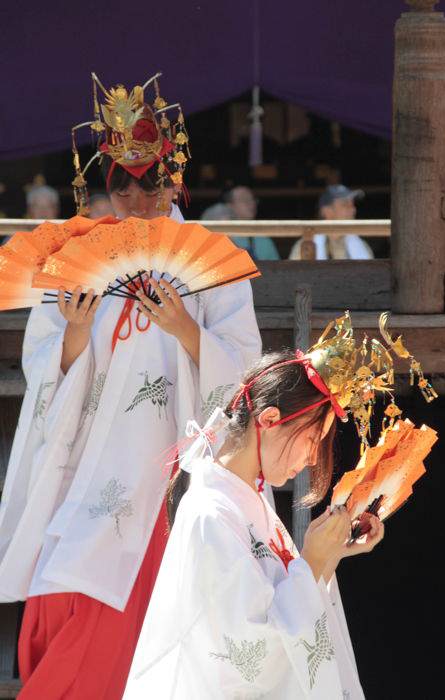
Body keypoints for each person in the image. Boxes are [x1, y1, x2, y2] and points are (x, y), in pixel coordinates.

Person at [0, 72, 262, 699]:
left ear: (176, 182)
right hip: (83, 464)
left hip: (166, 470)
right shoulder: (75, 255)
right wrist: (72, 334)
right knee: (66, 602)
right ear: (105, 189)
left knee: (147, 620)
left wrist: (185, 331)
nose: (141, 204)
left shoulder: (213, 265)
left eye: (152, 188)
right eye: (124, 190)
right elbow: (45, 369)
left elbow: (246, 371)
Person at [124, 346, 384, 699]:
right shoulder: (210, 512)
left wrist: (330, 553)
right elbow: (250, 655)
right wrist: (314, 562)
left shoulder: (248, 498)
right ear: (268, 419)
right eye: (310, 440)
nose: (311, 459)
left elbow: (276, 599)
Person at [289, 184, 373, 260]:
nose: (353, 209)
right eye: (345, 204)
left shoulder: (362, 246)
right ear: (327, 211)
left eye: (352, 205)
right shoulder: (306, 245)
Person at [202, 185, 280, 261]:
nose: (251, 203)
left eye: (252, 199)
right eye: (244, 199)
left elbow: (277, 270)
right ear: (230, 205)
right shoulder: (216, 230)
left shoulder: (263, 240)